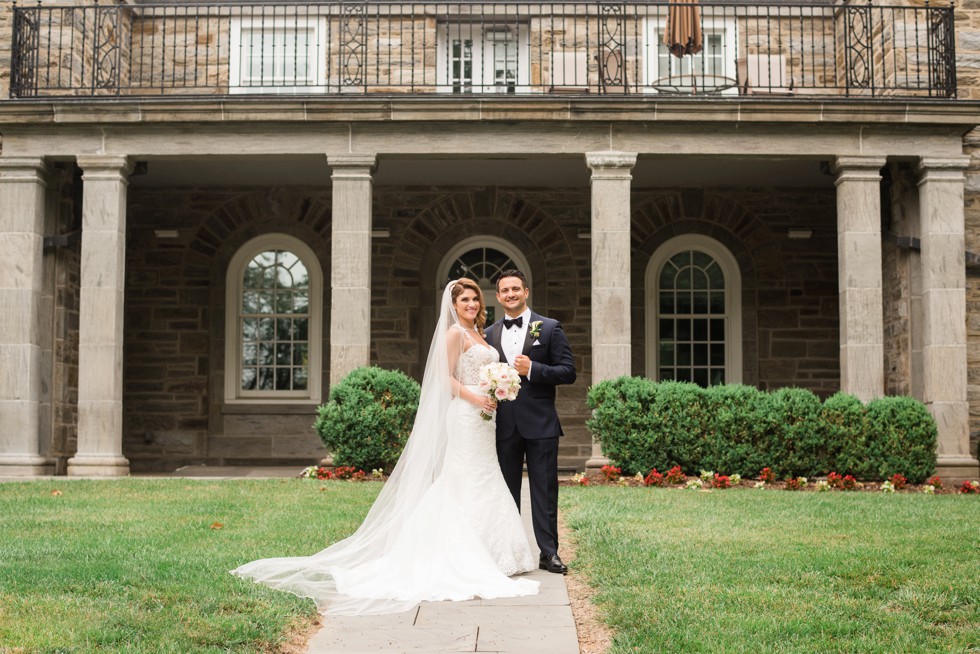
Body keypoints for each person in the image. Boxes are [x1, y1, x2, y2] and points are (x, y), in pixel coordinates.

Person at [231, 278, 538, 615]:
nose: (471, 305)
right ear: (453, 304)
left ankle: (497, 551)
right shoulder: (455, 334)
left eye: (475, 299)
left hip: (485, 415)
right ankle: (464, 551)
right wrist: (476, 396)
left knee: (484, 473)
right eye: (465, 300)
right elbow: (442, 377)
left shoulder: (481, 334)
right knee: (464, 474)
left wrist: (497, 388)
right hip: (466, 412)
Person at [485, 269, 576, 575]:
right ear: (498, 297)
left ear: (526, 291)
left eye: (515, 289)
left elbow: (568, 371)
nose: (510, 294)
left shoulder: (549, 328)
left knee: (545, 491)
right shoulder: (488, 334)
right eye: (504, 290)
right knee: (506, 492)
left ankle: (548, 553)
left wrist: (534, 368)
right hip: (503, 424)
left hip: (541, 423)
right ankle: (510, 552)